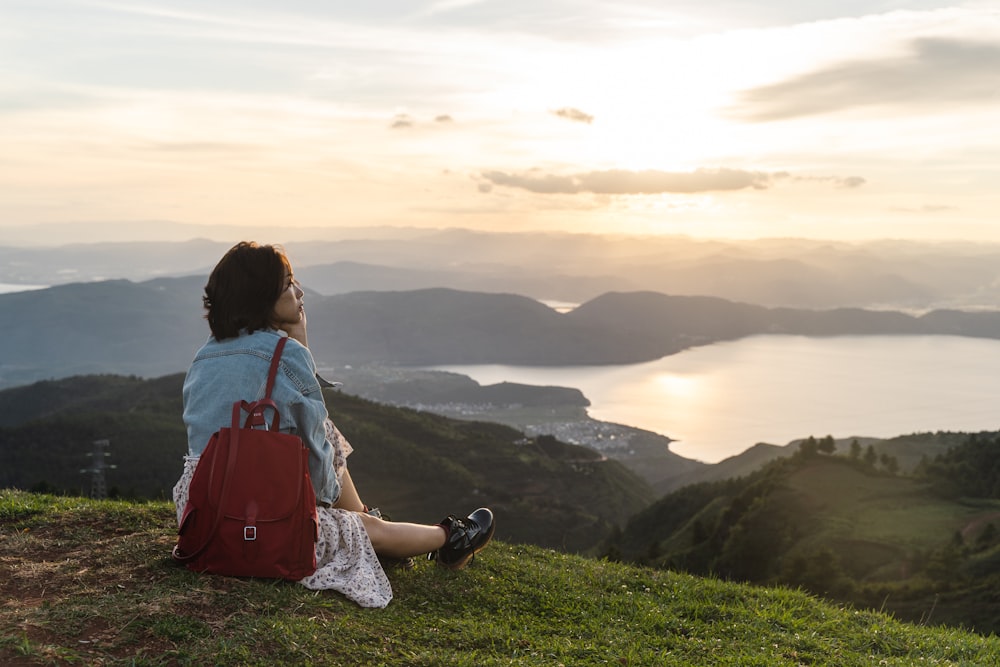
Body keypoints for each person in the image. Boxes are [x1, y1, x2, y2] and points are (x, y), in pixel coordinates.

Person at [172, 241, 494, 608]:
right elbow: (319, 464)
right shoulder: (287, 353)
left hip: (206, 520)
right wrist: (299, 344)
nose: (300, 291)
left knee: (325, 445)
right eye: (288, 284)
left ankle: (365, 522)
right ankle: (452, 537)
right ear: (262, 297)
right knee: (362, 522)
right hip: (261, 522)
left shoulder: (204, 354)